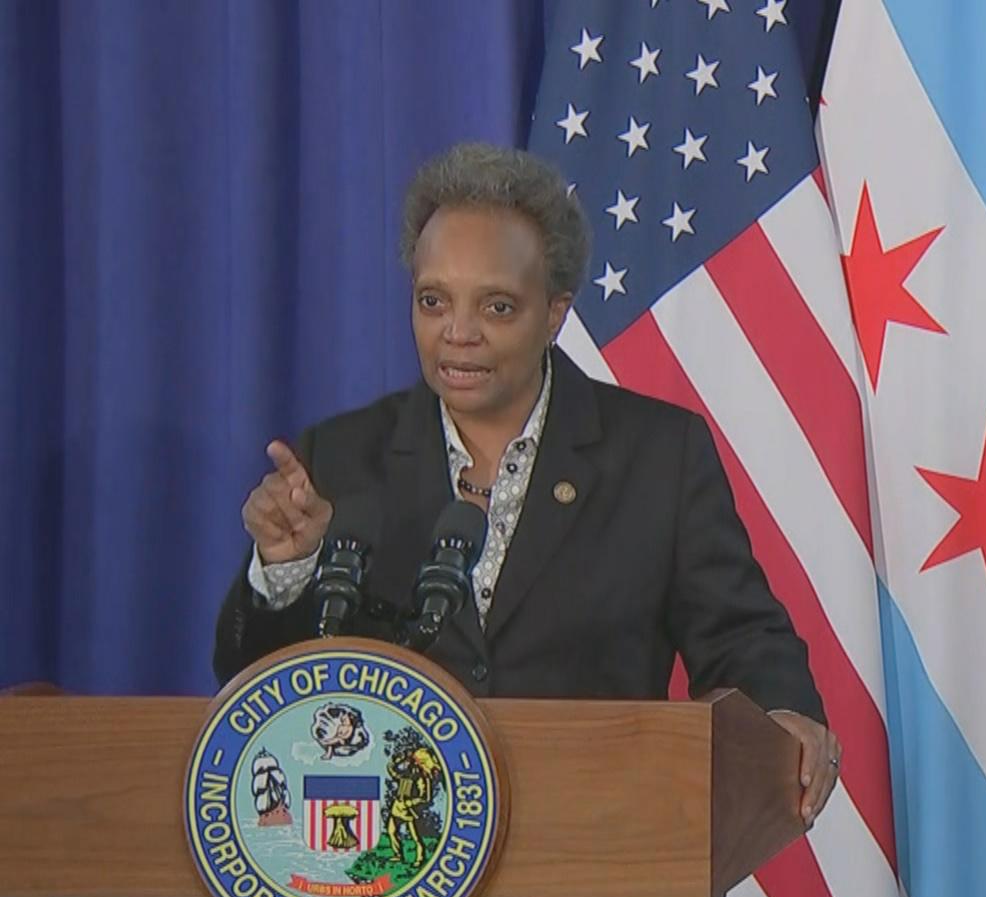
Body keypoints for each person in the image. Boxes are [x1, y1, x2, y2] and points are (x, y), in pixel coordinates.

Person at [213, 143, 841, 826]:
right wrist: (285, 567)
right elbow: (257, 689)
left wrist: (785, 713)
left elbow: (742, 636)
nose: (458, 334)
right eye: (433, 301)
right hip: (389, 872)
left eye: (498, 308)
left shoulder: (658, 457)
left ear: (554, 312)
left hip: (599, 852)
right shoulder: (340, 457)